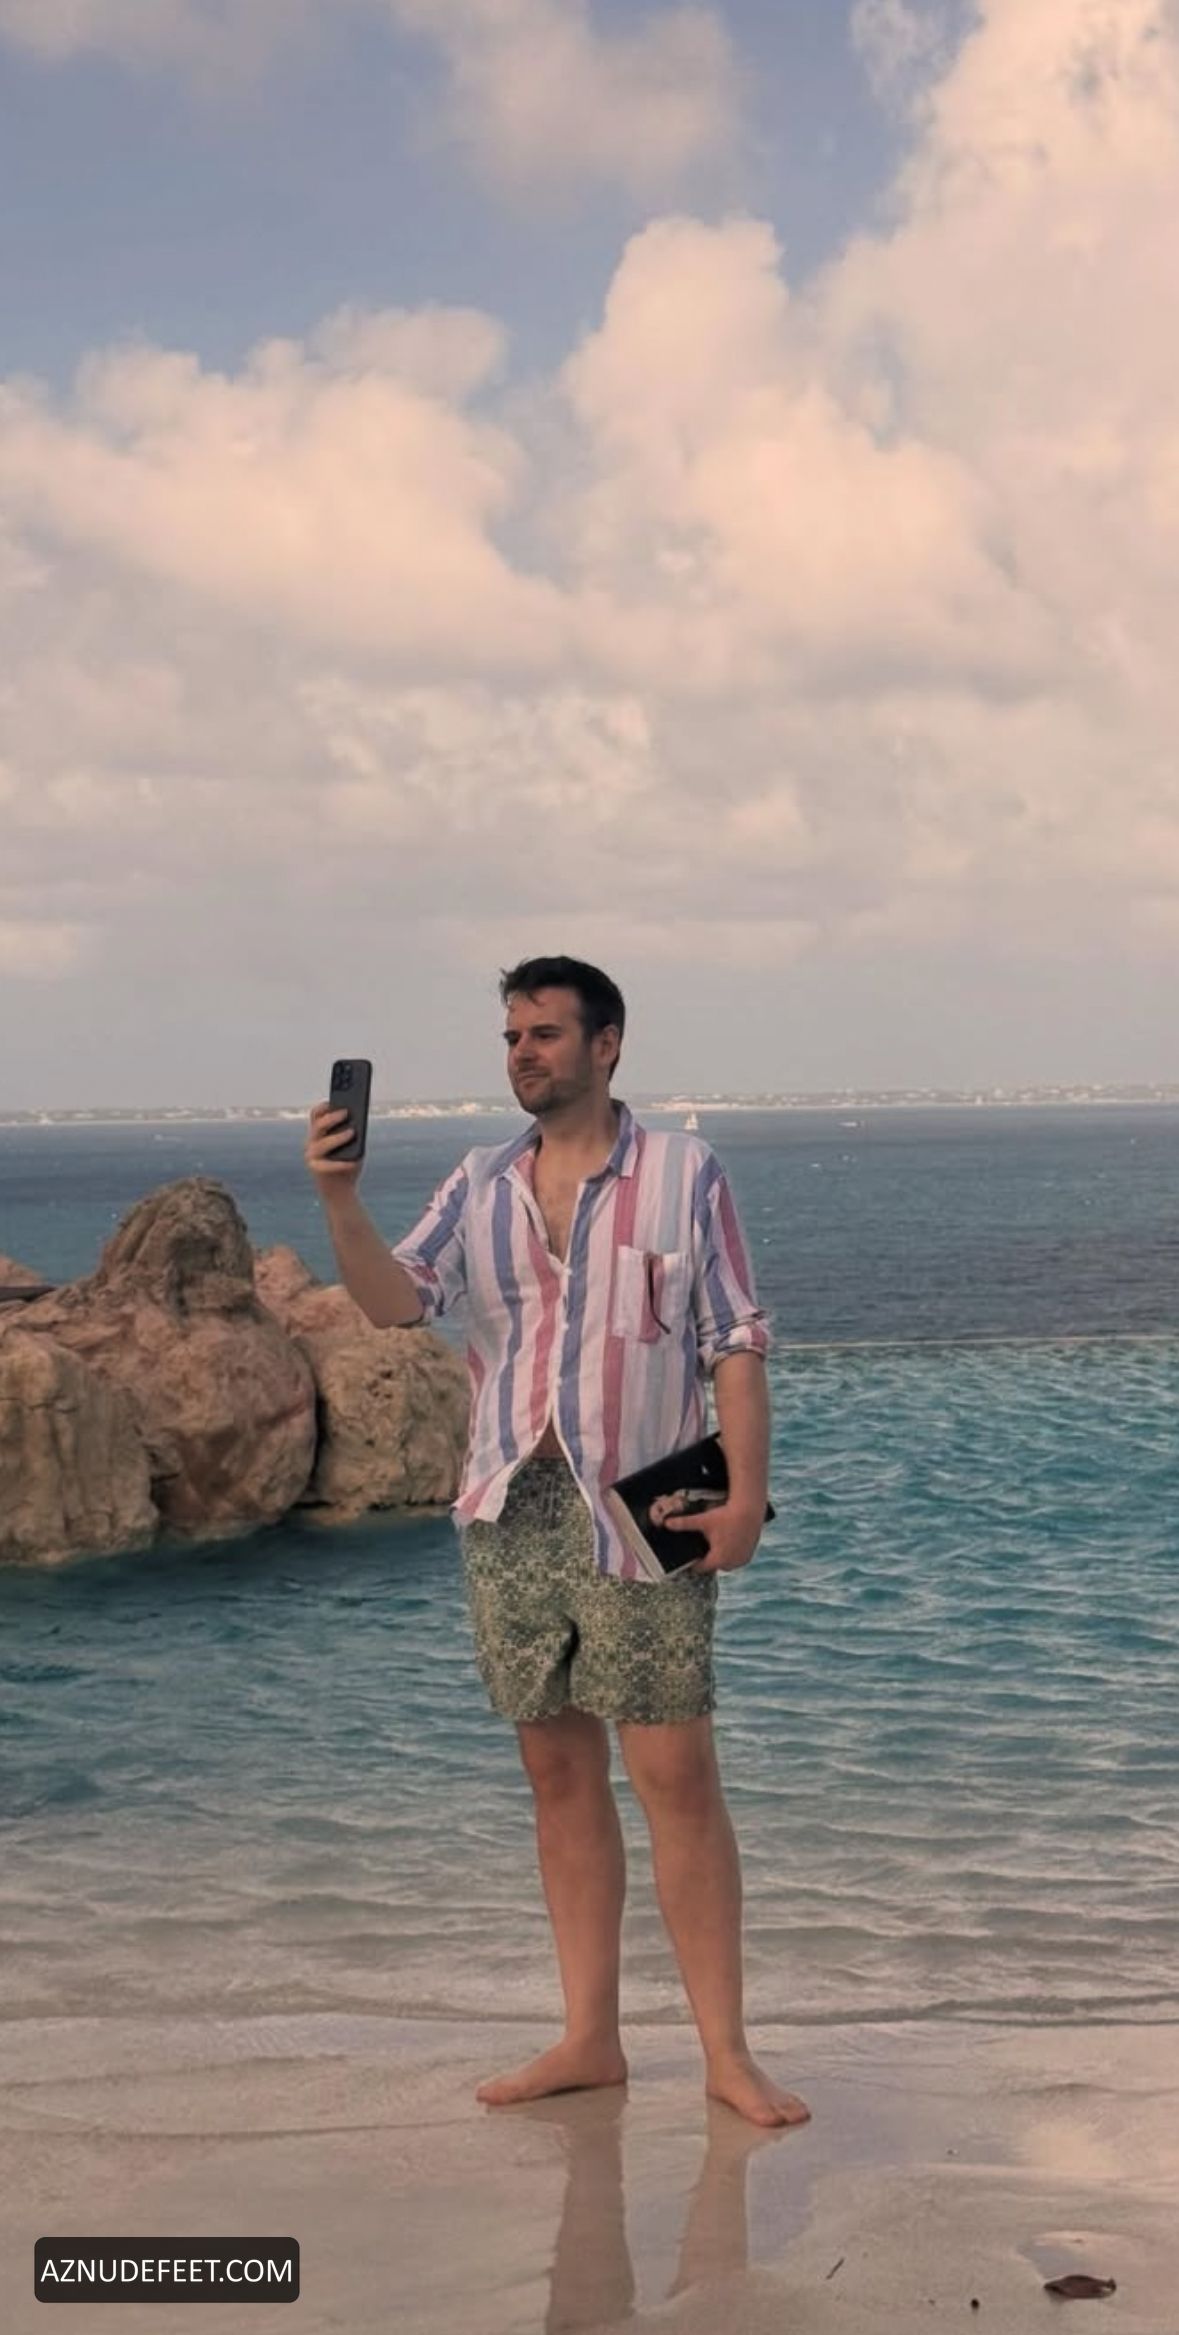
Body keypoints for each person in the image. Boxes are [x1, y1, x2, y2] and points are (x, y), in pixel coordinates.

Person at [304, 955, 809, 2131]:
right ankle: (590, 2036)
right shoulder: (481, 1182)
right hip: (510, 1502)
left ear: (606, 1042)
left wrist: (745, 1496)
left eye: (543, 1032)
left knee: (676, 1775)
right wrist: (339, 1199)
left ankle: (727, 2054)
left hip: (649, 1505)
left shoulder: (684, 1172)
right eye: (511, 1035)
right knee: (557, 1773)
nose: (522, 1052)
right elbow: (394, 1302)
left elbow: (735, 1341)